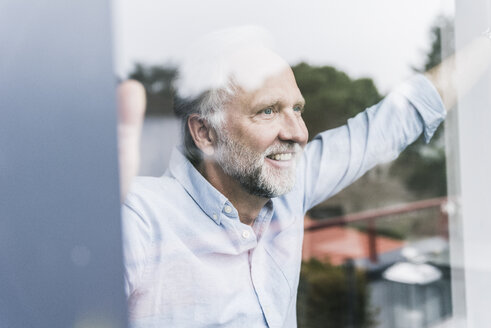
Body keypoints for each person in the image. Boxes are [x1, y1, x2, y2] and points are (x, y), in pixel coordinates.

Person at [117, 26, 447, 327]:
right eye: (268, 111)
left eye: (297, 109)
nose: (298, 133)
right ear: (204, 132)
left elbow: (389, 125)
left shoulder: (286, 186)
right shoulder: (138, 217)